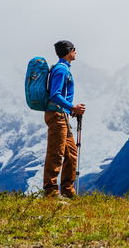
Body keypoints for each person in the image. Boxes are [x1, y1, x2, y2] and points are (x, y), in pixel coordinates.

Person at [43, 40, 86, 198]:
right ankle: (51, 192)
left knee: (71, 153)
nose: (75, 52)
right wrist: (72, 107)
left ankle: (68, 190)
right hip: (57, 115)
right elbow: (55, 96)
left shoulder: (62, 68)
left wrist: (70, 109)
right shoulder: (61, 70)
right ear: (69, 51)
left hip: (61, 115)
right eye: (74, 49)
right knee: (56, 153)